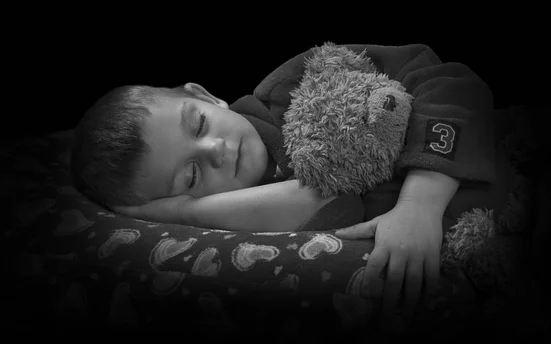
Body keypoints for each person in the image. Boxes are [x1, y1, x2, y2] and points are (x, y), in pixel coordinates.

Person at [71, 43, 513, 322]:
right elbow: (325, 199)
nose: (217, 150)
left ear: (204, 95)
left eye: (200, 123)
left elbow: (453, 82)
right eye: (191, 174)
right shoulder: (243, 219)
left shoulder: (302, 80)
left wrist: (420, 205)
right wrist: (185, 214)